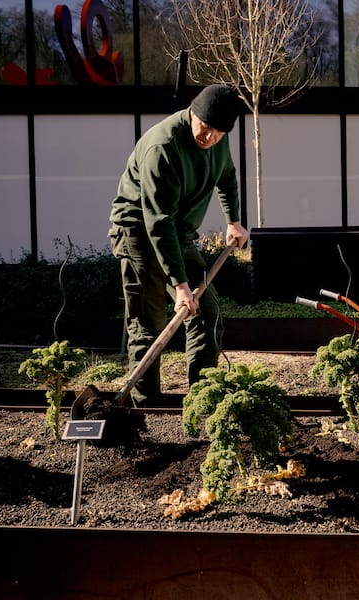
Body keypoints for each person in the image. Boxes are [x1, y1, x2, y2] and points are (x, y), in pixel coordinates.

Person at [109, 83, 249, 404]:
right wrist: (180, 284)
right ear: (192, 114)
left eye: (217, 132)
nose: (208, 137)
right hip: (139, 232)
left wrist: (233, 220)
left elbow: (226, 177)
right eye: (204, 127)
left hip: (179, 233)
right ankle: (146, 406)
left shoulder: (218, 141)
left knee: (207, 312)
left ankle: (201, 399)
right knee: (149, 322)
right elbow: (157, 222)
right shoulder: (164, 147)